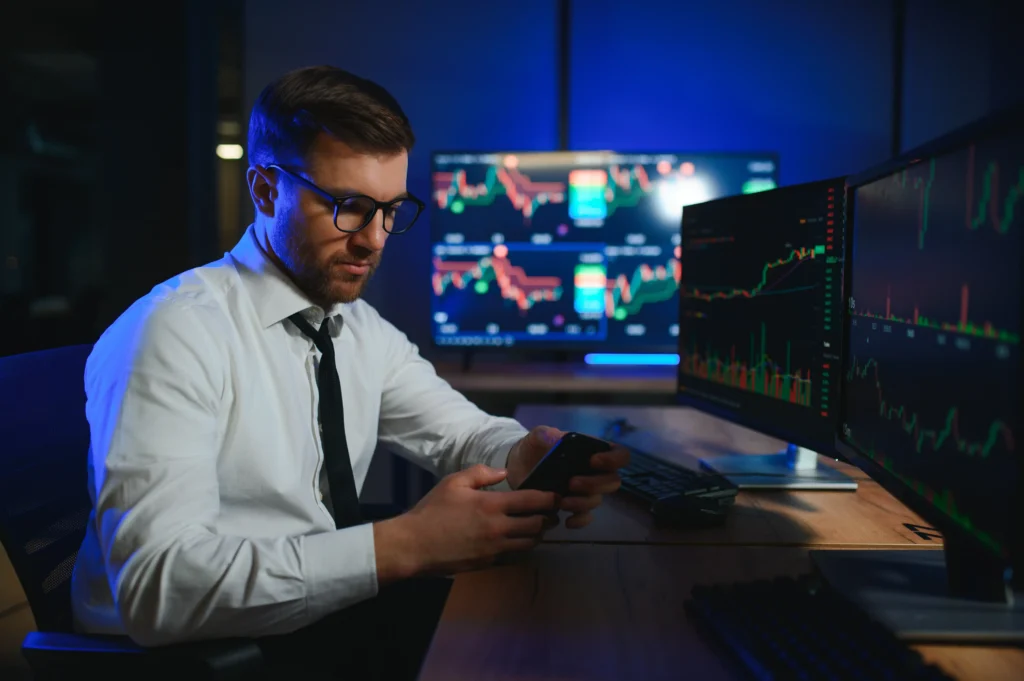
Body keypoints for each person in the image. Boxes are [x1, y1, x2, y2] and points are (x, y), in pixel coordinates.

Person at [70, 65, 629, 679]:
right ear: (264, 190)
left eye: (391, 210)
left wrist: (520, 454)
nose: (376, 240)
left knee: (561, 640)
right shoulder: (174, 332)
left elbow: (461, 436)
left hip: (315, 617)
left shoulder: (354, 327)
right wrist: (408, 544)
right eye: (348, 207)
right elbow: (158, 590)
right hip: (203, 658)